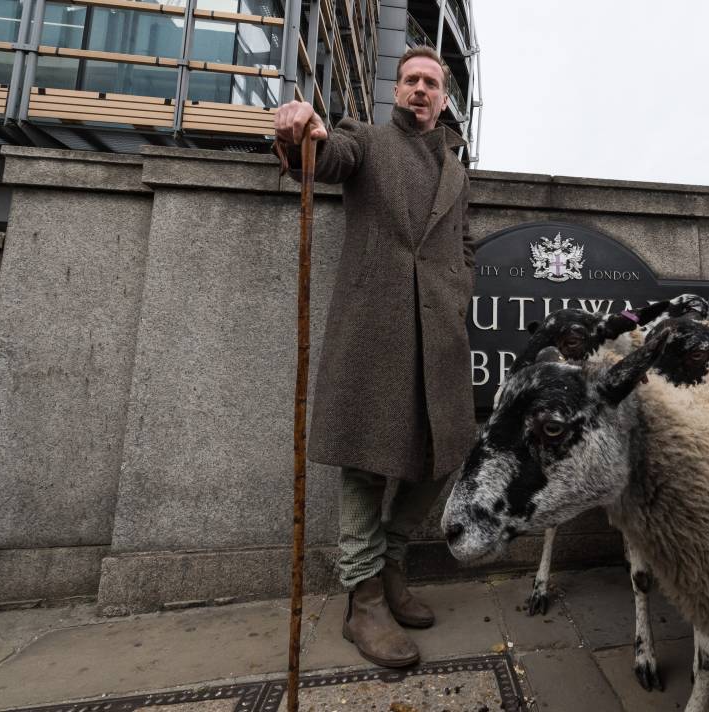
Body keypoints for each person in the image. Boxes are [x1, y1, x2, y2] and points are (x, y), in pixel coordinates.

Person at [274, 46, 476, 668]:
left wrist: (461, 283)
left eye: (431, 83)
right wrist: (302, 132)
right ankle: (363, 600)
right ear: (397, 90)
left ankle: (391, 564)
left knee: (445, 453)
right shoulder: (366, 138)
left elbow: (461, 236)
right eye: (411, 80)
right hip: (376, 326)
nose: (420, 89)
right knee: (365, 463)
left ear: (444, 99)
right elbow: (328, 158)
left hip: (438, 328)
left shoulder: (455, 163)